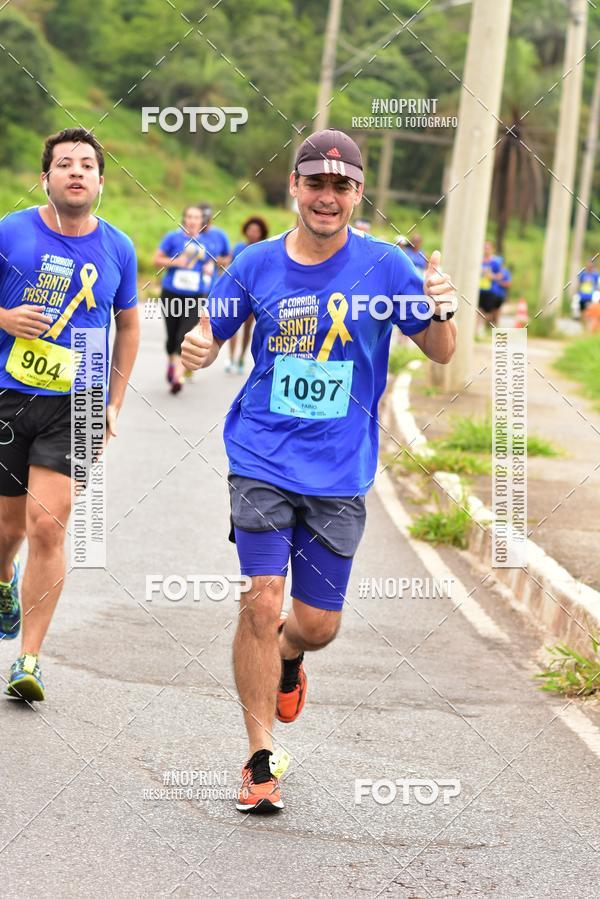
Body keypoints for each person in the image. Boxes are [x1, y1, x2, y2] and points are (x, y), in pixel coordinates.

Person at [182, 128, 457, 813]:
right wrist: (196, 346)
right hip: (261, 458)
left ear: (359, 193)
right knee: (260, 598)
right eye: (315, 183)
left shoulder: (390, 265)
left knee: (316, 623)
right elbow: (210, 332)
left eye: (341, 185)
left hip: (339, 471)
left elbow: (442, 349)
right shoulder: (253, 263)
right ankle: (258, 757)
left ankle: (291, 656)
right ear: (294, 188)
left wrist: (447, 307)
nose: (327, 196)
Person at [0, 128, 139, 701]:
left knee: (48, 526)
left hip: (79, 402)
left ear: (101, 182)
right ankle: (4, 576)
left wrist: (113, 402)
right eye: (64, 164)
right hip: (9, 393)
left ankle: (28, 659)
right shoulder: (11, 231)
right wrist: (5, 319)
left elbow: (128, 324)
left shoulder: (119, 247)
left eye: (86, 165)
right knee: (6, 529)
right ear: (46, 178)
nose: (75, 172)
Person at [154, 205, 207, 393]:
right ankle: (172, 363)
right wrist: (175, 262)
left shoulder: (208, 242)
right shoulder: (172, 238)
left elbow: (213, 262)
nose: (192, 220)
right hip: (171, 293)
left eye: (197, 217)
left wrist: (209, 268)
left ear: (202, 221)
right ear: (184, 219)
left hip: (195, 296)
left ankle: (177, 376)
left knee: (184, 335)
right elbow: (156, 260)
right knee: (171, 337)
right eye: (189, 216)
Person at [228, 216, 269, 374]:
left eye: (257, 231)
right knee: (233, 326)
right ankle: (231, 357)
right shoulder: (238, 247)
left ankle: (241, 357)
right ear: (246, 231)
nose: (253, 233)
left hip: (254, 295)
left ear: (261, 233)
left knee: (247, 328)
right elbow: (230, 269)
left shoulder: (263, 249)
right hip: (237, 293)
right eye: (251, 230)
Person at [478, 241, 502, 326]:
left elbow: (500, 276)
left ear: (492, 249)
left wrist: (491, 276)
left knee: (488, 312)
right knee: (478, 310)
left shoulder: (495, 262)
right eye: (484, 248)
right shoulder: (478, 261)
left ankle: (488, 327)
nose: (486, 250)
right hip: (479, 290)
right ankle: (479, 329)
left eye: (487, 248)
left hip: (490, 290)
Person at [489, 261, 512, 326]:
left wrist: (500, 283)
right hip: (491, 293)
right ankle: (490, 324)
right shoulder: (493, 271)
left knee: (497, 310)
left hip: (500, 295)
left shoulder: (505, 272)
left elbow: (508, 283)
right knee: (491, 310)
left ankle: (495, 324)